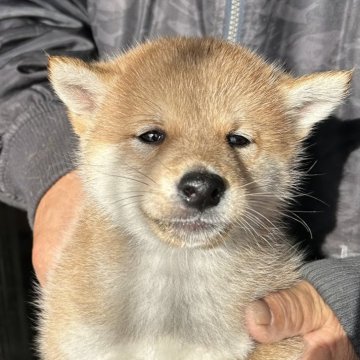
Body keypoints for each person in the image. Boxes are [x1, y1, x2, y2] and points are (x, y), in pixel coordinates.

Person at [0, 1, 359, 358]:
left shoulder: (268, 293)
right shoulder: (80, 293)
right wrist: (47, 174)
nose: (202, 181)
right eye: (152, 136)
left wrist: (350, 291)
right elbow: (21, 24)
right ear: (87, 104)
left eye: (239, 140)